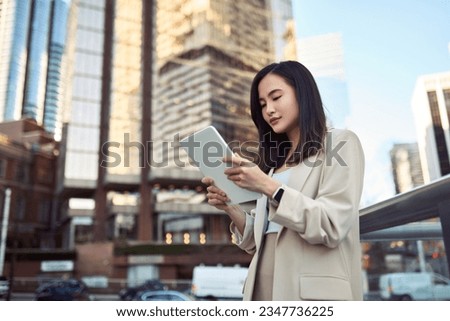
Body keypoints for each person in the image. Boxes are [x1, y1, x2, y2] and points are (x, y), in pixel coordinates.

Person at [202, 61, 365, 300]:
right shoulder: (273, 167)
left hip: (310, 297)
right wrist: (230, 207)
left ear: (303, 95)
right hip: (262, 292)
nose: (269, 110)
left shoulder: (340, 143)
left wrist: (266, 186)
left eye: (276, 97)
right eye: (263, 104)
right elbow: (257, 243)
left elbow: (331, 225)